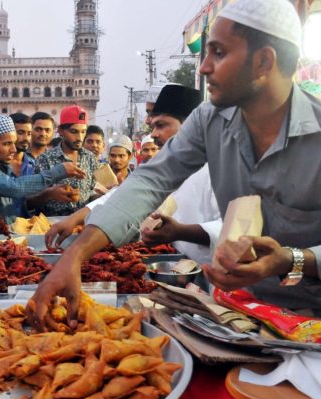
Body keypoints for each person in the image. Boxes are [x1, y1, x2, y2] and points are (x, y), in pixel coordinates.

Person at [32, 0, 321, 327]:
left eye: (219, 52)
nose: (204, 68)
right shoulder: (209, 119)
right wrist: (76, 255)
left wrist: (295, 259)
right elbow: (151, 180)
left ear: (263, 62)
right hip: (238, 315)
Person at [45, 84, 219, 266]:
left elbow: (239, 229)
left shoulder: (219, 167)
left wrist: (181, 232)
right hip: (174, 264)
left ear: (190, 126)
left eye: (161, 125)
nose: (153, 134)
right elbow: (126, 196)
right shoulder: (170, 163)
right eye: (153, 126)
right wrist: (73, 220)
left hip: (215, 275)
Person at [0, 115, 85, 238]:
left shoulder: (3, 166)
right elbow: (14, 187)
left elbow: (19, 204)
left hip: (6, 240)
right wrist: (59, 171)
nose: (13, 149)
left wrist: (50, 193)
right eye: (7, 144)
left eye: (13, 143)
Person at [35, 105, 99, 216]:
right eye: (74, 131)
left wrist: (104, 197)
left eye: (83, 132)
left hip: (83, 224)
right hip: (52, 225)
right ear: (60, 131)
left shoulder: (90, 158)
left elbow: (92, 190)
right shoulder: (44, 160)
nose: (79, 138)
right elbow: (30, 201)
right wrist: (50, 194)